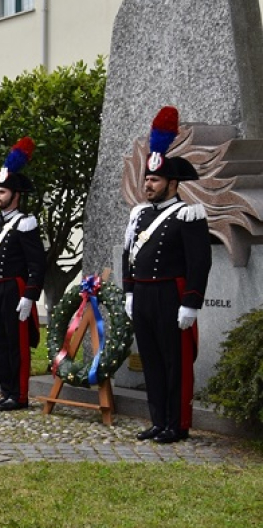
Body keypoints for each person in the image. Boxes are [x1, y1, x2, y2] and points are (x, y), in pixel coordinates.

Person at [122, 106, 212, 444]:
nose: (148, 184)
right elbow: (127, 255)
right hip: (143, 296)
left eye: (155, 179)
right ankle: (158, 420)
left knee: (175, 363)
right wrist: (129, 292)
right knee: (152, 361)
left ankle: (177, 424)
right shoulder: (139, 214)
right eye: (146, 178)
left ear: (172, 183)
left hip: (171, 297)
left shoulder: (188, 214)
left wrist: (191, 303)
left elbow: (199, 262)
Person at [0, 137, 45, 412]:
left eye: (3, 192)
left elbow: (37, 264)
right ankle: (6, 391)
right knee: (1, 340)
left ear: (15, 196)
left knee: (17, 343)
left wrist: (30, 296)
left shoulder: (25, 223)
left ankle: (19, 395)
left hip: (15, 289)